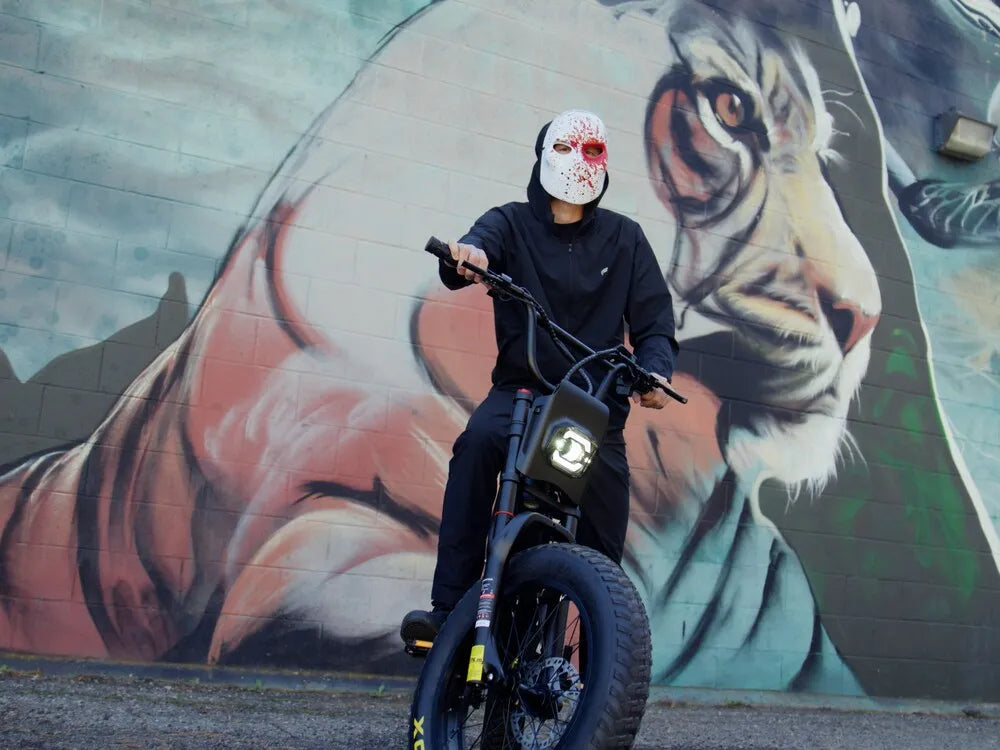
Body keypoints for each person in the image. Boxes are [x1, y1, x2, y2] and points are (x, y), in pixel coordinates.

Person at [400, 109, 679, 642]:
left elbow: (654, 325)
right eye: (567, 149)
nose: (579, 163)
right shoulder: (509, 222)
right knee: (478, 445)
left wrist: (655, 372)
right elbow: (476, 249)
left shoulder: (627, 239)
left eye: (592, 151)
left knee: (603, 544)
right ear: (543, 155)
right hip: (521, 395)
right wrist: (466, 256)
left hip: (592, 408)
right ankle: (449, 607)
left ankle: (604, 658)